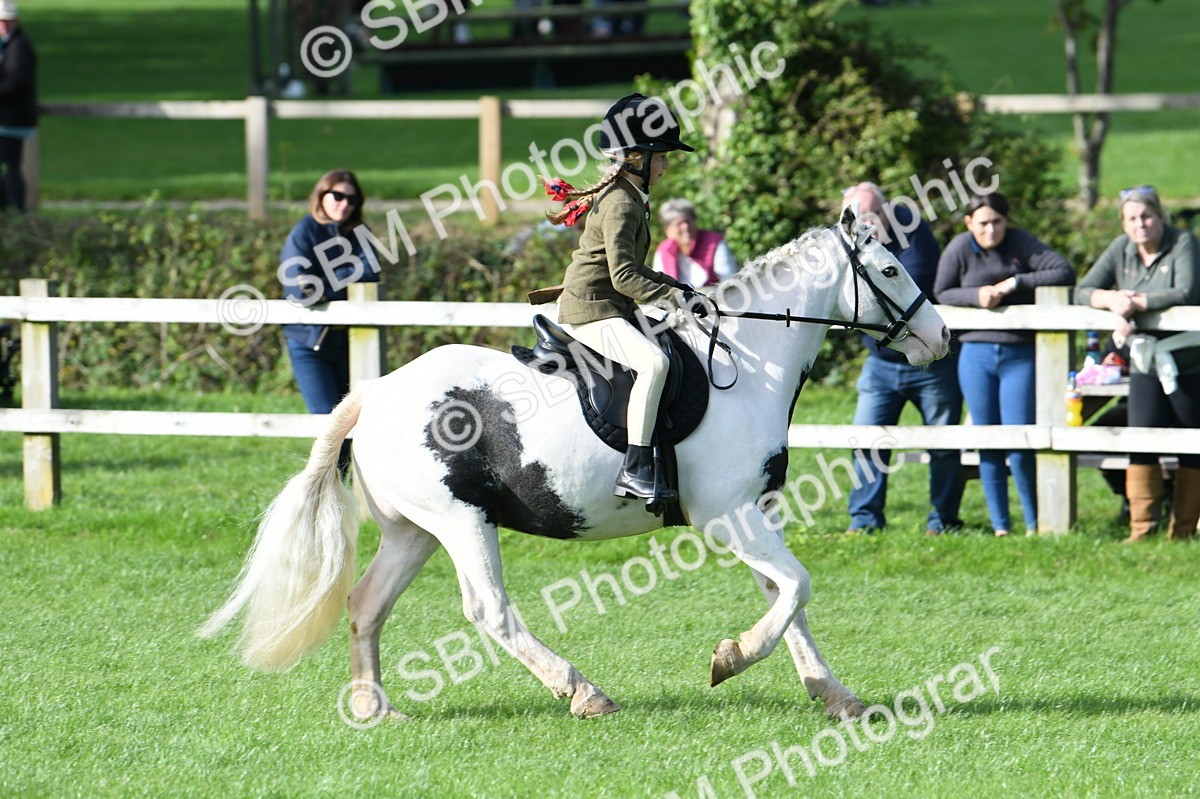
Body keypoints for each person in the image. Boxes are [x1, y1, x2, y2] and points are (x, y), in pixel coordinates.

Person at [549, 93, 696, 503]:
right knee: (654, 363)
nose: (666, 165)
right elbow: (624, 277)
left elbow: (635, 268)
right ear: (636, 158)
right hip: (592, 309)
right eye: (661, 157)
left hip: (609, 304)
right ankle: (635, 468)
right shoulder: (620, 204)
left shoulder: (629, 196)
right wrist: (676, 300)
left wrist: (680, 289)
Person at [935, 191, 1075, 537]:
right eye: (983, 223)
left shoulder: (1020, 242)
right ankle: (1001, 525)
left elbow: (1063, 271)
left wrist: (1014, 283)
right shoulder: (959, 248)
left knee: (1021, 440)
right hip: (976, 354)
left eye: (997, 221)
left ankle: (1035, 523)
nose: (991, 229)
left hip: (1019, 354)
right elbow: (941, 292)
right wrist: (977, 295)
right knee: (988, 439)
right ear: (969, 223)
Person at [1075, 185, 1200, 542]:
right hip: (1144, 361)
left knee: (1192, 443)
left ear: (1160, 216)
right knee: (1140, 440)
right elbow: (1083, 290)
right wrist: (1111, 299)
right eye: (1131, 218)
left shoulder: (1183, 243)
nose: (1139, 224)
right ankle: (1141, 529)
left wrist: (1136, 303)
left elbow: (1186, 292)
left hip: (1187, 361)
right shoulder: (1121, 248)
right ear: (1123, 223)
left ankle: (1184, 531)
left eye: (1146, 216)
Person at [840, 182, 965, 537]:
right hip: (880, 363)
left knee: (942, 444)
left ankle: (943, 520)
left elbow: (914, 283)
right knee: (867, 440)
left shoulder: (911, 228)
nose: (863, 223)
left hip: (931, 363)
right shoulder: (850, 239)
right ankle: (864, 520)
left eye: (869, 214)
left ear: (887, 211)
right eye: (855, 218)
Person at [279, 169, 378, 478]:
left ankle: (340, 489)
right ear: (321, 196)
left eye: (352, 199)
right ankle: (319, 489)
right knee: (329, 425)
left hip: (351, 342)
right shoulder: (304, 232)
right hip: (311, 343)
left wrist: (324, 281)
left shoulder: (359, 232)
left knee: (358, 422)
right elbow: (300, 291)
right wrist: (347, 278)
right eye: (337, 196)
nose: (344, 204)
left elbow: (371, 274)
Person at [651, 198, 738, 288]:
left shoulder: (714, 242)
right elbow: (658, 286)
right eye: (679, 224)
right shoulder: (664, 250)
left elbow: (729, 281)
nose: (685, 227)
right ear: (668, 230)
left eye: (688, 221)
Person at [0, 0, 36, 213]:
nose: (4, 25)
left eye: (8, 21)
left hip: (11, 119)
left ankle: (15, 210)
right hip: (7, 118)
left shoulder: (19, 46)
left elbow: (17, 80)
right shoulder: (8, 44)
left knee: (11, 165)